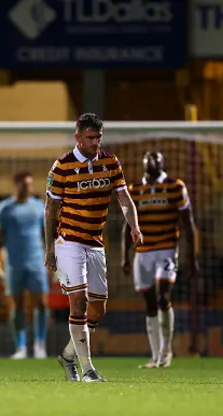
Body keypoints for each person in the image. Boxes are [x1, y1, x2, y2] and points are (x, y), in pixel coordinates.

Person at [44, 113, 142, 383]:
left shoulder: (110, 162)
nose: (96, 142)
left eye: (99, 137)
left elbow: (123, 197)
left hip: (95, 243)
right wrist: (49, 250)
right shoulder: (62, 166)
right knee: (79, 301)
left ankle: (66, 356)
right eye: (90, 137)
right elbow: (50, 210)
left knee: (97, 310)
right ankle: (88, 370)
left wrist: (134, 225)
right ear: (78, 137)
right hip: (68, 241)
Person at [121, 151, 198, 369]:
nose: (152, 160)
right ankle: (156, 356)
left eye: (156, 157)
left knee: (164, 297)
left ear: (164, 162)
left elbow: (188, 223)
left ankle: (166, 350)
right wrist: (124, 256)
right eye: (148, 157)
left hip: (166, 250)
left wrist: (192, 257)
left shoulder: (176, 187)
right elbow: (127, 225)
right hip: (143, 253)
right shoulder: (135, 190)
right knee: (150, 303)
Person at [0, 172, 50, 359]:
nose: (27, 188)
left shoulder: (39, 207)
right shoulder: (4, 209)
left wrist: (55, 258)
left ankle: (40, 345)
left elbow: (48, 235)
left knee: (41, 303)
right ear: (16, 185)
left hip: (36, 260)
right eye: (24, 185)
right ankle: (20, 347)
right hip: (14, 263)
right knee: (17, 305)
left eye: (30, 185)